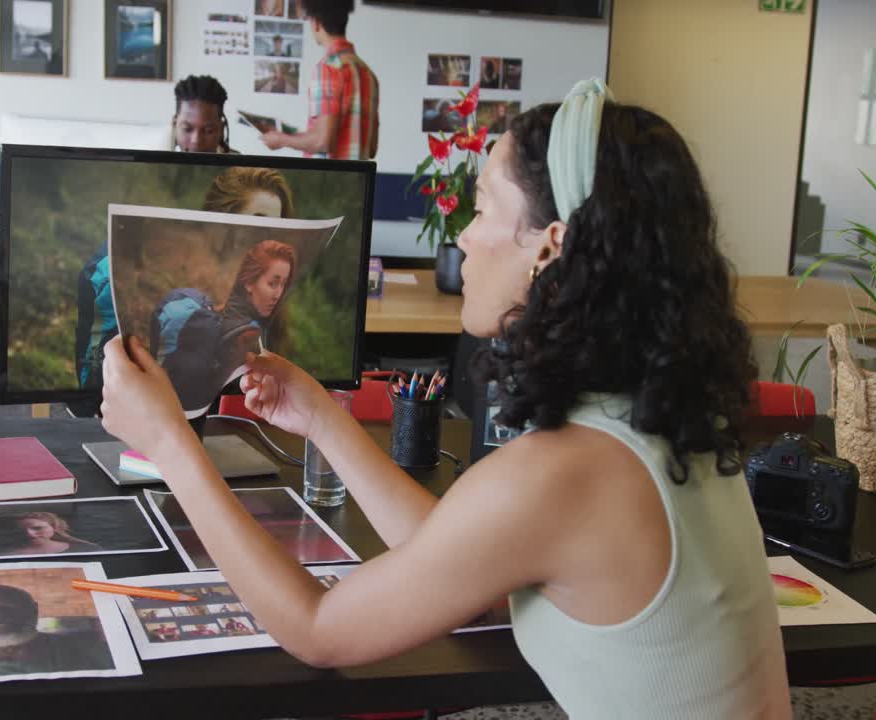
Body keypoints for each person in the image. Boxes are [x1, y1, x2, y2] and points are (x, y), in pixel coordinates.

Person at [98, 79, 793, 719]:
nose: (462, 233)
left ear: (548, 248)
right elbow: (455, 553)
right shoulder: (663, 425)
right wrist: (320, 418)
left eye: (484, 206)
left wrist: (171, 446)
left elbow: (318, 629)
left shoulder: (563, 473)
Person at [75, 167, 295, 393]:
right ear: (222, 223)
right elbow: (92, 383)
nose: (267, 236)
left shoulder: (268, 295)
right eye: (258, 223)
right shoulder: (112, 274)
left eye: (277, 227)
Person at [149, 239, 297, 414]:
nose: (278, 294)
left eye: (283, 285)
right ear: (249, 282)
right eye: (273, 283)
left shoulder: (221, 315)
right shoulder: (248, 336)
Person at [262, 0, 379, 160]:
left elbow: (323, 142)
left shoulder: (328, 69)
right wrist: (290, 134)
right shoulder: (368, 75)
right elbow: (371, 148)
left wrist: (281, 140)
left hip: (327, 182)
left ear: (316, 23)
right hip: (358, 183)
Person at [171, 74, 236, 154]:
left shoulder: (240, 165)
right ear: (175, 126)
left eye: (208, 131)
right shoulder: (157, 164)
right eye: (187, 129)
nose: (196, 141)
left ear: (221, 130)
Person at [0, 511, 101, 556]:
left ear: (54, 527)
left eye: (38, 528)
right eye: (21, 530)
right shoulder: (5, 555)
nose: (30, 534)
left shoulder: (87, 549)